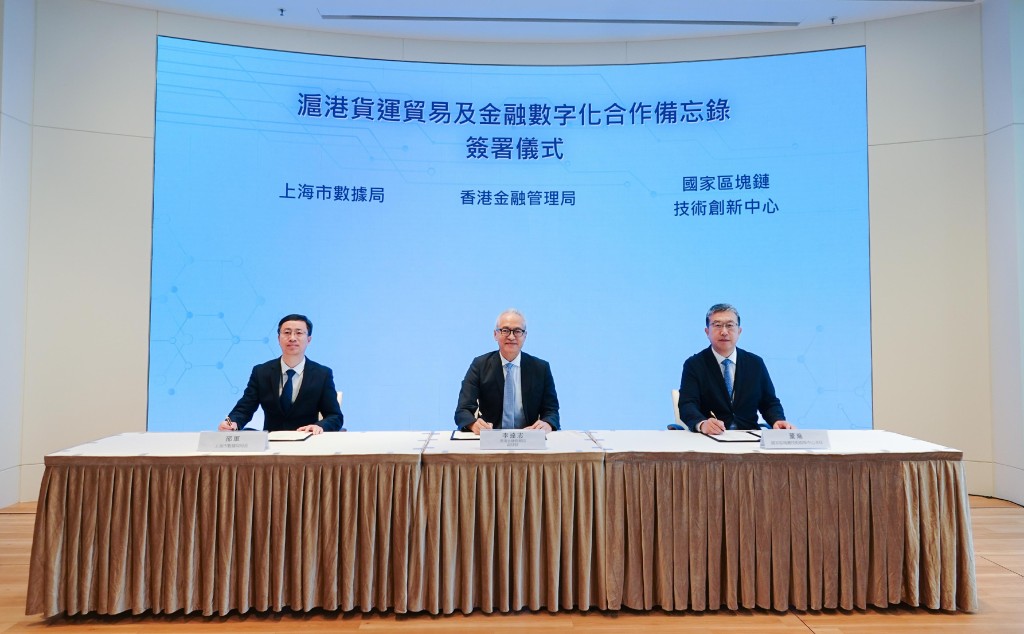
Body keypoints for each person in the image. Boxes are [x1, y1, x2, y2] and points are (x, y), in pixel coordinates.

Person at [677, 303, 794, 435]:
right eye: (717, 325)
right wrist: (702, 424)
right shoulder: (694, 364)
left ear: (739, 331)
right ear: (707, 332)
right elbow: (687, 405)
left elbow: (769, 402)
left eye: (730, 325)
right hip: (711, 437)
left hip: (749, 436)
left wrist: (777, 420)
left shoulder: (755, 363)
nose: (724, 331)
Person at [218, 314, 343, 434]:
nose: (292, 338)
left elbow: (335, 416)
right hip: (271, 445)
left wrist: (319, 426)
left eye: (299, 333)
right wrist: (233, 423)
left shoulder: (322, 374)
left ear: (308, 339)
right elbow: (244, 409)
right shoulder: (261, 372)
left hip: (307, 444)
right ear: (278, 338)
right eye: (287, 333)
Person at [455, 309, 560, 434]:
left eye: (517, 331)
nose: (511, 336)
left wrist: (547, 423)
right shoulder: (479, 365)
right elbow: (463, 410)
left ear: (525, 335)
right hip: (491, 438)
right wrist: (473, 424)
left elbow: (551, 411)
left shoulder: (541, 368)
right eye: (505, 330)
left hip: (529, 439)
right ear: (495, 334)